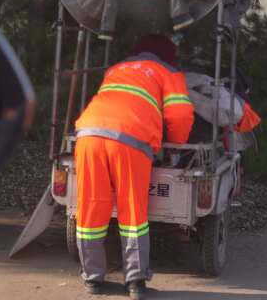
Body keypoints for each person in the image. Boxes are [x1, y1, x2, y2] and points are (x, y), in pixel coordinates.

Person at [74, 34, 194, 300]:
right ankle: (135, 283)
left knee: (91, 208)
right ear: (168, 56)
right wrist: (174, 146)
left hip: (89, 135)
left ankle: (93, 279)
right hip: (131, 140)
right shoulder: (169, 71)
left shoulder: (116, 68)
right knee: (132, 212)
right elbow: (181, 114)